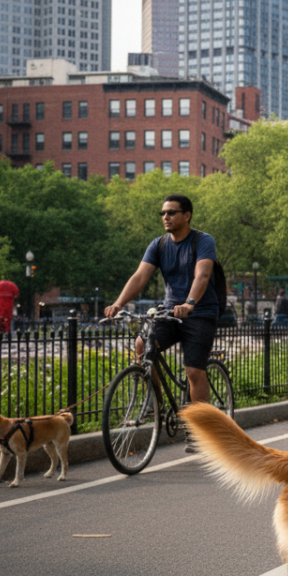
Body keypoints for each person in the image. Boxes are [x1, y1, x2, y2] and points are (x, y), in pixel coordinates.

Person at [104, 194, 220, 453]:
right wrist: (119, 303)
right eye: (163, 213)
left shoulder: (203, 241)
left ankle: (201, 430)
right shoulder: (158, 245)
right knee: (142, 345)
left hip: (200, 312)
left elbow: (202, 275)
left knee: (194, 371)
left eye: (171, 212)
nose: (165, 217)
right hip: (169, 312)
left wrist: (190, 302)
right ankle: (153, 402)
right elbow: (139, 277)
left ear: (186, 215)